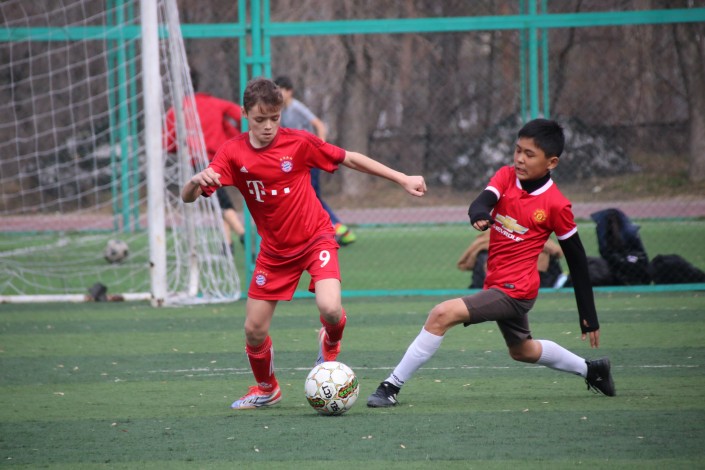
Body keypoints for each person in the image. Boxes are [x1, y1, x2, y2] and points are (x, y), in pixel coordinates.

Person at [181, 77, 427, 409]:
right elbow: (189, 197)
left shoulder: (298, 142)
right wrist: (195, 181)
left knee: (330, 308)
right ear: (245, 114)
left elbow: (350, 158)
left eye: (275, 118)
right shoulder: (232, 152)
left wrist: (402, 178)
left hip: (316, 238)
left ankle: (331, 339)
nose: (268, 127)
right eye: (260, 119)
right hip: (274, 252)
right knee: (254, 329)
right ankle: (267, 389)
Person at [367, 118, 616, 408]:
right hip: (497, 282)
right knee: (522, 350)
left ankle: (390, 387)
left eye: (529, 154)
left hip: (517, 291)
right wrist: (479, 214)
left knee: (441, 314)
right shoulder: (506, 176)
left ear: (552, 162)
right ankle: (593, 370)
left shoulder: (556, 205)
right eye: (518, 150)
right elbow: (482, 201)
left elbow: (577, 260)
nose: (520, 159)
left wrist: (588, 314)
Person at [165, 69, 245, 252]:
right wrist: (230, 133)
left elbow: (168, 143)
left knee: (219, 200)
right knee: (217, 198)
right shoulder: (216, 104)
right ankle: (227, 245)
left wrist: (182, 145)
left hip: (200, 161)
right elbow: (242, 117)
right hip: (223, 158)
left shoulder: (177, 110)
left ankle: (244, 235)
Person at [274, 75, 356, 246]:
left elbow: (319, 124)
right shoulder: (280, 111)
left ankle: (338, 229)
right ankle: (331, 230)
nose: (278, 94)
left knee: (310, 197)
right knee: (305, 197)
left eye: (281, 90)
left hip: (308, 158)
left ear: (289, 92)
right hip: (295, 161)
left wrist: (321, 149)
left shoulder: (296, 107)